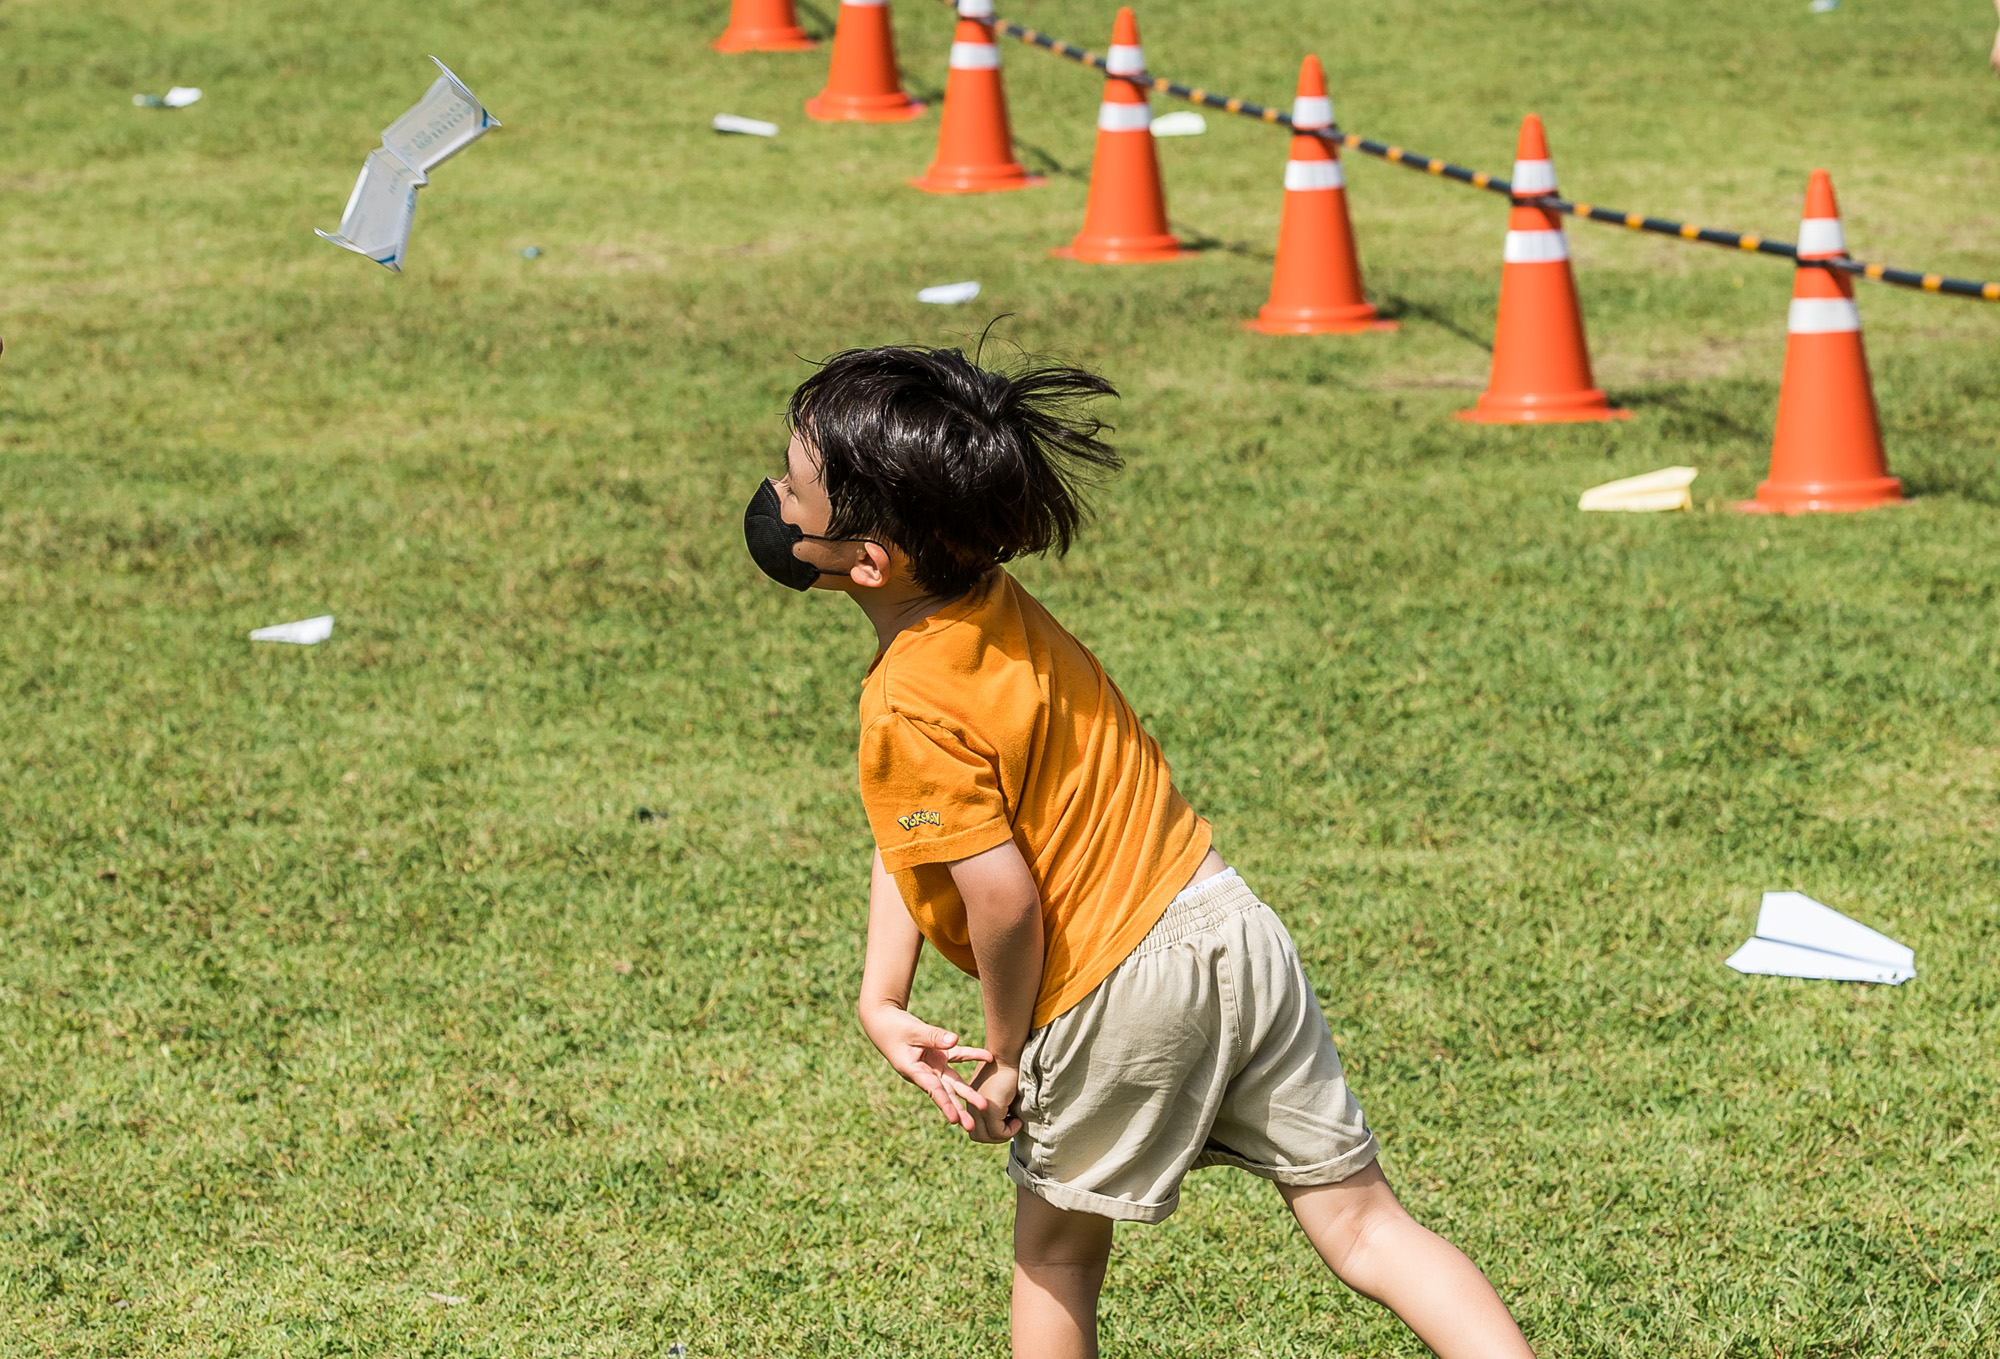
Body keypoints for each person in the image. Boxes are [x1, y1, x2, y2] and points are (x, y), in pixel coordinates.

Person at [742, 343, 1535, 1359]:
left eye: (792, 487)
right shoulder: (991, 606)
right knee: (1366, 1228)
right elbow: (924, 837)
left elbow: (1001, 901)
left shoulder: (906, 697)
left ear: (868, 561)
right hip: (1227, 924)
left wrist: (1007, 1051)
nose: (773, 497)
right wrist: (878, 995)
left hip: (1114, 983)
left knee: (1058, 1257)